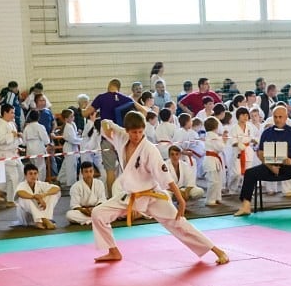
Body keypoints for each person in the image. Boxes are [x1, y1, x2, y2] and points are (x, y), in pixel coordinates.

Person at [91, 111, 229, 264]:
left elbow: (165, 177)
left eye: (140, 131)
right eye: (133, 132)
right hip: (131, 195)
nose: (137, 135)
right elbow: (105, 123)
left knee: (180, 225)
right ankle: (113, 251)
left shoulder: (149, 149)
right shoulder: (122, 138)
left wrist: (180, 200)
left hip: (152, 196)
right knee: (98, 213)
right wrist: (114, 126)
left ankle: (218, 251)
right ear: (127, 130)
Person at [233, 106, 291, 217]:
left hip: (288, 166)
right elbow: (260, 153)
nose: (278, 119)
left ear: (286, 118)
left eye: (280, 117)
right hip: (268, 166)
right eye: (275, 117)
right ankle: (246, 206)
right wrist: (270, 166)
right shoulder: (267, 133)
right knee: (250, 173)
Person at [14, 162, 60, 229]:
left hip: (40, 212)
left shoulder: (40, 184)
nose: (33, 176)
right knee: (23, 199)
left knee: (54, 194)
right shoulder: (22, 185)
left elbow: (57, 188)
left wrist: (43, 195)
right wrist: (35, 197)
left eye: (35, 173)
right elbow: (20, 193)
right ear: (25, 175)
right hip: (27, 217)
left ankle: (46, 218)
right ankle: (42, 220)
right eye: (30, 174)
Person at [66, 161, 107, 225]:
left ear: (93, 172)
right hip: (83, 211)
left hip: (97, 209)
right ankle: (97, 219)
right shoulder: (76, 186)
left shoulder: (99, 183)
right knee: (69, 215)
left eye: (91, 171)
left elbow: (102, 200)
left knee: (109, 209)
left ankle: (92, 219)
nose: (89, 174)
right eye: (86, 171)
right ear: (82, 173)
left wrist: (94, 209)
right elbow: (74, 205)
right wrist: (84, 211)